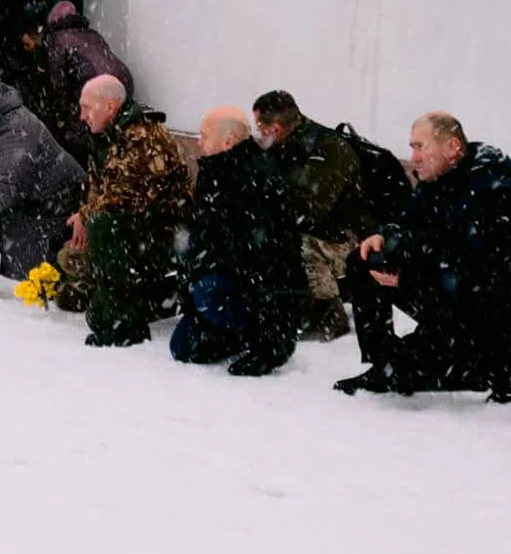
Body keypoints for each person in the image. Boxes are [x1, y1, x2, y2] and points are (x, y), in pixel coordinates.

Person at [334, 113, 511, 400]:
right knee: (364, 260)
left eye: (420, 146)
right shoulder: (437, 176)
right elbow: (407, 222)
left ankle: (489, 369)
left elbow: (480, 271)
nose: (414, 157)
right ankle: (385, 364)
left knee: (419, 370)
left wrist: (408, 277)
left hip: (488, 315)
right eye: (411, 147)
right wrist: (384, 235)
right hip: (449, 291)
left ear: (452, 146)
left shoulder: (492, 187)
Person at [59, 75, 194, 347]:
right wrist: (85, 217)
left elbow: (125, 195)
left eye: (88, 107)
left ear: (110, 106)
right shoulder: (104, 136)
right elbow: (99, 187)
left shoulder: (143, 135)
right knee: (68, 260)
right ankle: (147, 298)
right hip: (130, 226)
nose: (82, 115)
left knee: (103, 228)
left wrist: (87, 216)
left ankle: (128, 321)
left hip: (161, 233)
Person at [171, 107, 307, 375]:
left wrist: (272, 336)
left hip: (258, 286)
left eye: (204, 135)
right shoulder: (215, 170)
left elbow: (269, 260)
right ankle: (232, 333)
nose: (199, 142)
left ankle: (258, 336)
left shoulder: (256, 178)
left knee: (207, 292)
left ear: (229, 141)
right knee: (184, 348)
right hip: (226, 274)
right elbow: (205, 234)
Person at [250, 91, 369, 341]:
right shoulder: (284, 144)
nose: (258, 132)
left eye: (261, 126)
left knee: (297, 244)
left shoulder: (329, 150)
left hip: (346, 237)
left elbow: (310, 213)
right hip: (318, 226)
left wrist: (270, 206)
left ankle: (328, 311)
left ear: (278, 128)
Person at [0, 64, 85, 280]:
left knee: (32, 276)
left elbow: (10, 185)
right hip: (35, 201)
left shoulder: (15, 129)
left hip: (56, 202)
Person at [40, 1, 135, 159]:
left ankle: (86, 164)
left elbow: (59, 83)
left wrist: (64, 113)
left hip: (95, 85)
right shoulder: (91, 33)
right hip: (121, 82)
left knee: (81, 131)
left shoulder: (56, 39)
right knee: (114, 129)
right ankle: (114, 159)